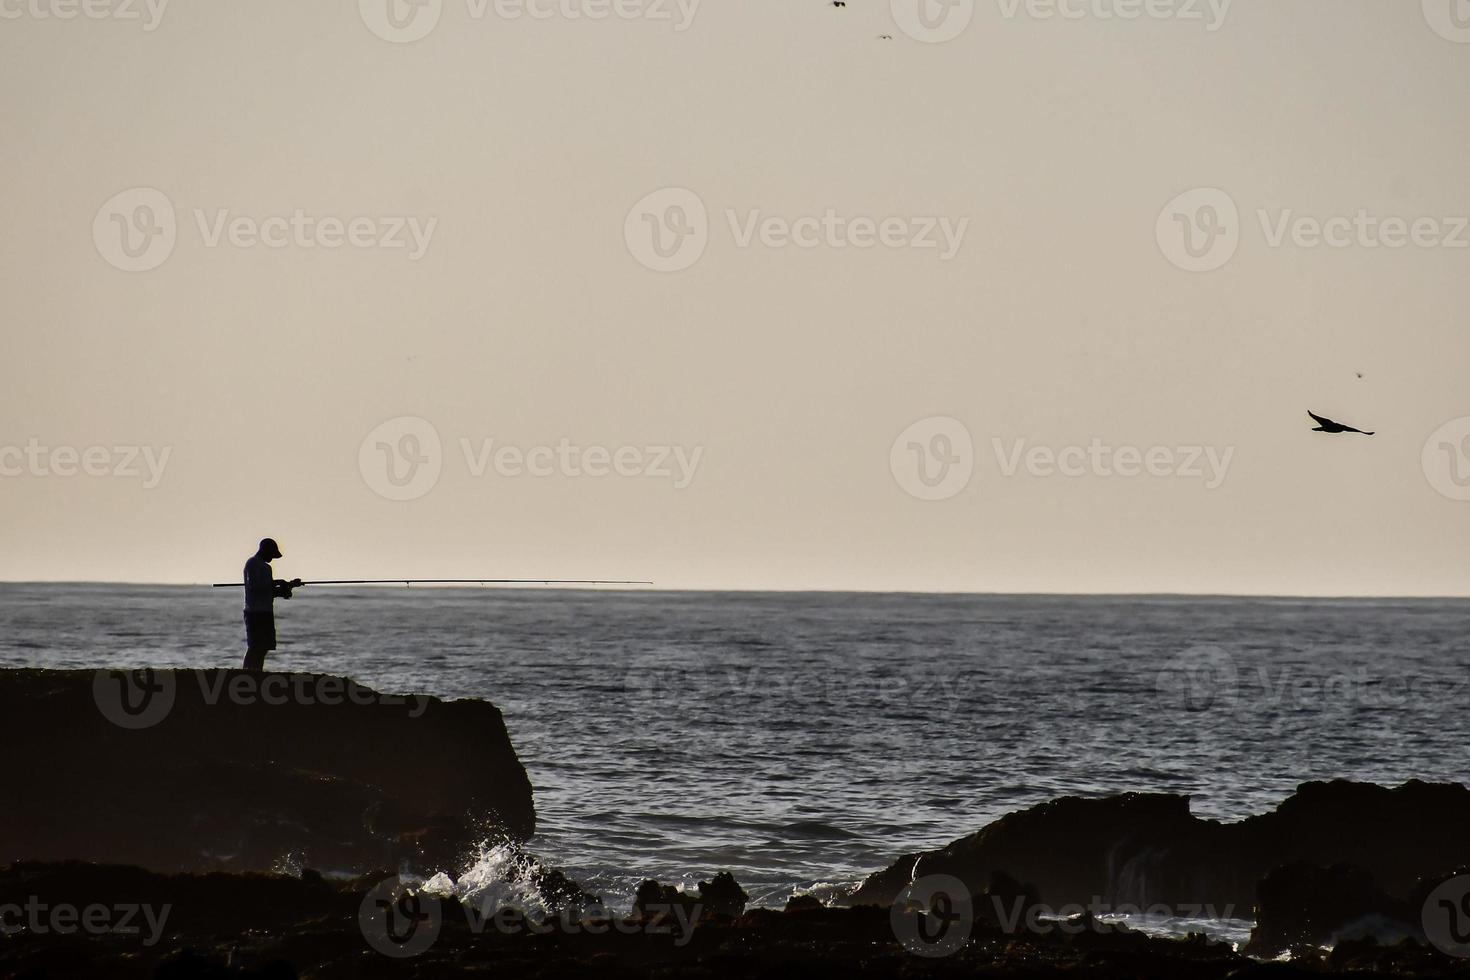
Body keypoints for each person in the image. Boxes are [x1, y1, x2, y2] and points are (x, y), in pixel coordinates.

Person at [242, 538, 301, 671]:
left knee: (262, 647)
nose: (272, 558)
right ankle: (248, 672)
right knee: (256, 647)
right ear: (265, 551)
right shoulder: (254, 564)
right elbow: (256, 588)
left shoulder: (262, 566)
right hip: (256, 612)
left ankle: (255, 671)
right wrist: (277, 585)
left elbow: (269, 592)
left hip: (264, 611)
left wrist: (286, 587)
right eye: (271, 555)